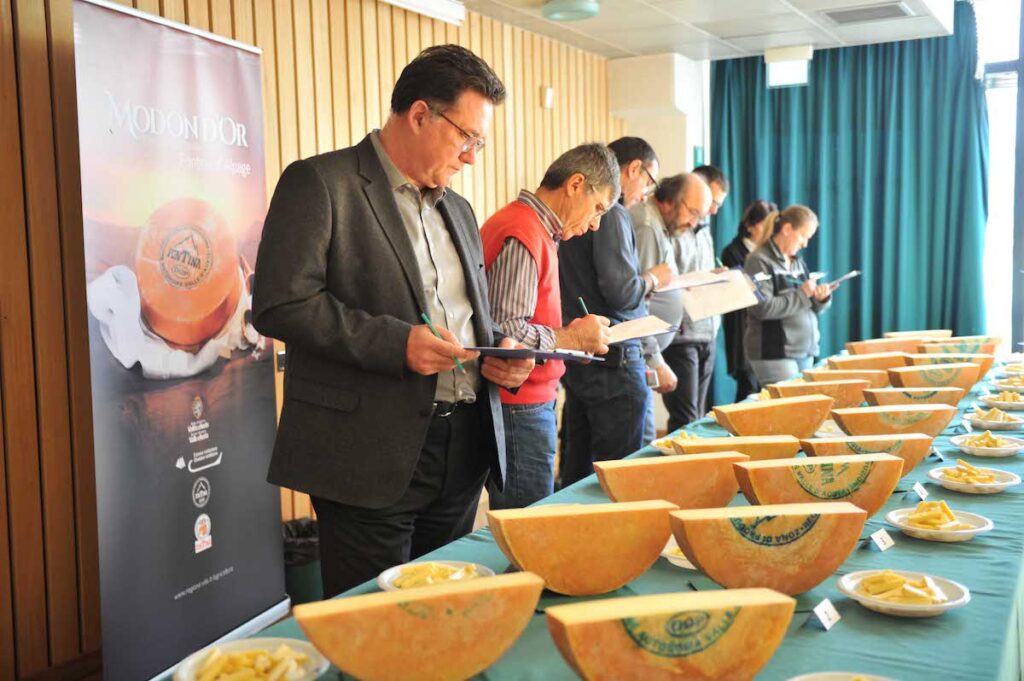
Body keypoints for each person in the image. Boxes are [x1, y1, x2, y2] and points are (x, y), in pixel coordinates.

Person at [252, 45, 534, 597]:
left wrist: (500, 351)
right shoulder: (322, 183)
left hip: (463, 448)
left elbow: (469, 315)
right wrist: (396, 344)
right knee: (373, 619)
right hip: (367, 451)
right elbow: (280, 302)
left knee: (443, 607)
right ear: (421, 114)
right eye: (467, 137)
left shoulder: (458, 209)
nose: (472, 157)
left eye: (479, 143)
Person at [480, 144, 618, 508]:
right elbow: (508, 332)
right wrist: (572, 337)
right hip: (518, 404)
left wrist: (576, 343)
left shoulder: (535, 228)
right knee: (527, 526)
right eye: (598, 208)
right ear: (575, 184)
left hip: (524, 401)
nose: (596, 224)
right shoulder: (523, 229)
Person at [556, 137, 672, 487]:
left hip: (581, 356)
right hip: (614, 358)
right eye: (649, 182)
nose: (646, 194)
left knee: (578, 476)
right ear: (634, 169)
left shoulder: (579, 212)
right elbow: (621, 292)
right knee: (622, 480)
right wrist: (654, 278)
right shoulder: (612, 213)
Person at [630, 173, 712, 438]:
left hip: (644, 353)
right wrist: (655, 360)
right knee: (641, 438)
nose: (693, 222)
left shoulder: (660, 225)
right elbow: (637, 301)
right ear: (670, 200)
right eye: (693, 212)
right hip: (639, 354)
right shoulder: (647, 227)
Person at [744, 205, 836, 386]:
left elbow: (808, 305)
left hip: (805, 351)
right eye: (803, 236)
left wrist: (820, 299)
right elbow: (762, 308)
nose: (805, 244)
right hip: (774, 353)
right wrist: (802, 294)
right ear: (787, 229)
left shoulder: (797, 262)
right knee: (789, 403)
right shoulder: (758, 261)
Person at [659, 172, 718, 432]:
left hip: (707, 330)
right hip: (681, 335)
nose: (712, 211)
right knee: (685, 419)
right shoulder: (670, 228)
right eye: (710, 203)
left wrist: (715, 276)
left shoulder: (703, 231)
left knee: (699, 416)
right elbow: (664, 278)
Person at [721, 200, 778, 401]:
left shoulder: (772, 254)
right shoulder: (732, 252)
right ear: (749, 225)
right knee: (748, 386)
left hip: (767, 330)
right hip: (742, 325)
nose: (769, 232)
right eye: (764, 225)